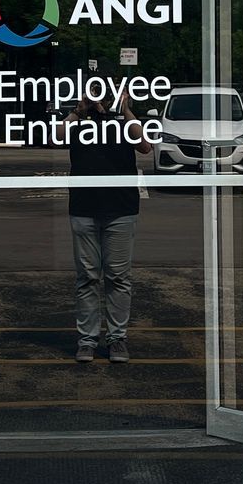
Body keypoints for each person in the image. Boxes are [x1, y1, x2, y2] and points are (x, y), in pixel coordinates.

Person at [65, 87, 151, 363]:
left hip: (120, 208)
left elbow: (145, 146)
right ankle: (87, 340)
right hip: (84, 208)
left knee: (118, 277)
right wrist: (78, 111)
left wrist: (125, 111)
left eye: (103, 95)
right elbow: (54, 138)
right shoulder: (79, 123)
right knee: (87, 277)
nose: (99, 101)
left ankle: (117, 339)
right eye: (93, 95)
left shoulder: (124, 124)